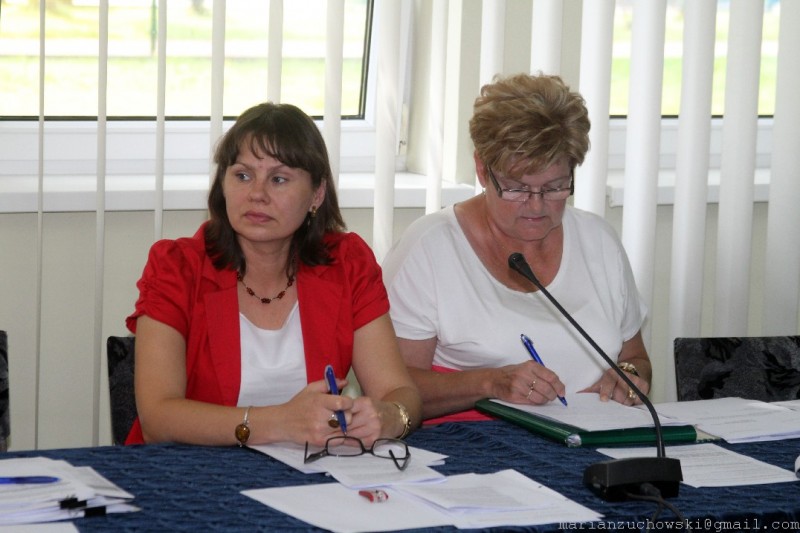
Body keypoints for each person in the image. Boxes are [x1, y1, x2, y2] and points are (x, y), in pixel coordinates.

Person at [126, 102, 421, 447]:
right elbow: (158, 419)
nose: (257, 194)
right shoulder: (177, 267)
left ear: (317, 194)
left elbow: (399, 391)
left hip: (311, 470)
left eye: (278, 179)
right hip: (190, 468)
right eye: (242, 176)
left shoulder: (346, 263)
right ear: (223, 185)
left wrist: (389, 417)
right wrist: (279, 422)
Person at [382, 73, 651, 423]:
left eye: (554, 187)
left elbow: (635, 357)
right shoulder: (429, 249)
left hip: (593, 438)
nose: (536, 205)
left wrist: (628, 376)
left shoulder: (599, 241)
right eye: (517, 188)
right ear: (482, 170)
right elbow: (391, 392)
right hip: (474, 444)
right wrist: (490, 383)